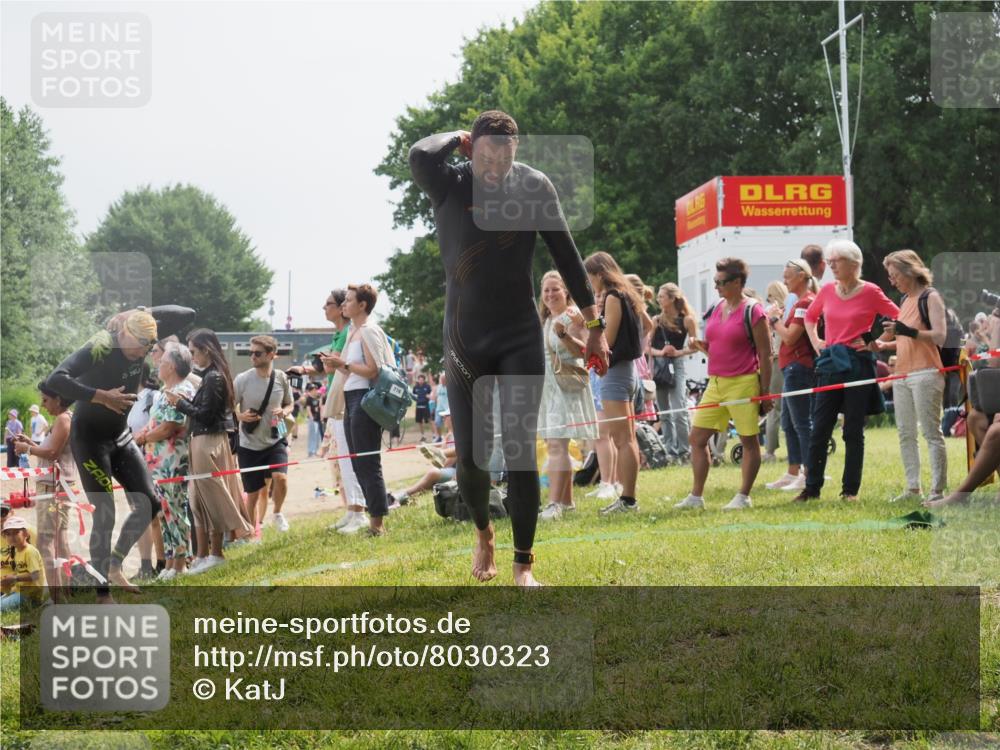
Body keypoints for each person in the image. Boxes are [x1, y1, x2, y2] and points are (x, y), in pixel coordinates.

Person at [409, 110, 609, 586]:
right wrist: (458, 138)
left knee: (520, 451)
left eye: (505, 155)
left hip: (518, 332)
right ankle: (483, 530)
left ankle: (523, 563)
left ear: (517, 151)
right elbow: (419, 154)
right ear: (470, 149)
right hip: (464, 338)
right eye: (485, 155)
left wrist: (596, 326)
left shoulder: (535, 187)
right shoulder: (451, 184)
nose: (496, 166)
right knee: (474, 458)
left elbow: (567, 254)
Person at [47, 306, 194, 602]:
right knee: (106, 514)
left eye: (146, 350)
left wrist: (140, 311)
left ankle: (114, 564)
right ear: (124, 334)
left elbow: (187, 314)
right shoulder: (101, 345)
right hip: (89, 440)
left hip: (120, 435)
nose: (141, 356)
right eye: (136, 349)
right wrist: (101, 396)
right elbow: (56, 379)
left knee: (151, 502)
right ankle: (103, 595)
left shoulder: (143, 330)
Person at [797, 240, 900, 502]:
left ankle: (849, 491)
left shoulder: (871, 291)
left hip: (858, 364)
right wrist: (817, 342)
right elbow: (810, 317)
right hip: (831, 363)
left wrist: (878, 342)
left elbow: (901, 318)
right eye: (829, 261)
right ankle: (811, 489)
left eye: (836, 261)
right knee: (819, 428)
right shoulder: (828, 290)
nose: (830, 265)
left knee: (852, 430)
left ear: (854, 264)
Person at [677, 258, 773, 510]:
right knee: (697, 438)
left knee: (748, 441)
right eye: (715, 282)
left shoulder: (754, 311)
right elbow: (718, 346)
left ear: (738, 282)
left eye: (721, 282)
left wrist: (765, 392)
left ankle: (743, 496)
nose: (717, 286)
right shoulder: (717, 307)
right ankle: (696, 497)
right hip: (716, 381)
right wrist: (702, 346)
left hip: (744, 382)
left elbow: (765, 353)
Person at [168, 328, 253, 574]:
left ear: (206, 349)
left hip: (208, 441)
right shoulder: (212, 376)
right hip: (203, 440)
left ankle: (216, 553)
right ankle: (206, 555)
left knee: (211, 497)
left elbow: (205, 413)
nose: (192, 357)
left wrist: (180, 403)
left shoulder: (214, 377)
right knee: (201, 500)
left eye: (194, 351)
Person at [322, 284, 397, 536]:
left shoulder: (367, 331)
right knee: (357, 461)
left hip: (365, 399)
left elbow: (374, 370)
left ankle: (377, 524)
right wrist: (337, 364)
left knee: (367, 462)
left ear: (362, 305)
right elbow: (352, 369)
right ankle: (368, 516)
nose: (344, 304)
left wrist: (343, 363)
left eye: (350, 300)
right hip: (350, 397)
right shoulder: (353, 331)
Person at [879, 249, 948, 503]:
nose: (892, 281)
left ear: (910, 271)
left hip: (926, 373)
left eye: (895, 275)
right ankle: (912, 488)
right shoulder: (905, 300)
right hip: (902, 375)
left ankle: (937, 490)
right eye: (890, 276)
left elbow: (940, 336)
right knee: (905, 433)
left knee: (931, 433)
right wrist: (881, 345)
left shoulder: (931, 297)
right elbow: (903, 339)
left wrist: (907, 331)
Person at [584, 253, 644, 515]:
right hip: (625, 372)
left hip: (616, 373)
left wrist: (591, 325)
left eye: (589, 277)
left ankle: (628, 499)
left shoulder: (612, 297)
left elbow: (607, 338)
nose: (589, 284)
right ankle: (627, 496)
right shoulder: (625, 294)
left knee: (622, 439)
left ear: (598, 274)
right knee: (626, 438)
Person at [537, 271, 599, 520]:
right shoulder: (547, 319)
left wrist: (564, 334)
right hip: (549, 386)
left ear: (566, 291)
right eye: (546, 290)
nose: (551, 294)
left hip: (566, 384)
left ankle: (554, 504)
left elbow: (587, 350)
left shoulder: (573, 315)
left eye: (555, 289)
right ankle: (567, 502)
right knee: (555, 443)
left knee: (556, 444)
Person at [135, 342, 197, 580]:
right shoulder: (163, 391)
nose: (157, 365)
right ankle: (171, 562)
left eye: (161, 362)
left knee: (176, 511)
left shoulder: (182, 390)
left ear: (170, 366)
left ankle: (180, 563)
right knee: (165, 513)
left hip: (172, 461)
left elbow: (171, 426)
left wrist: (142, 437)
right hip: (157, 463)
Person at [13, 382, 75, 602]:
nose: (42, 404)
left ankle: (58, 596)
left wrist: (27, 448)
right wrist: (31, 443)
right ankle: (65, 591)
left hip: (53, 486)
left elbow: (52, 451)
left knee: (46, 541)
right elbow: (51, 449)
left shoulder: (63, 419)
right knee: (60, 538)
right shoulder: (64, 418)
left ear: (58, 399)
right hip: (58, 485)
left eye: (46, 400)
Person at [233, 335, 295, 533]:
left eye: (257, 353)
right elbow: (229, 406)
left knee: (281, 478)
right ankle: (252, 532)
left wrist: (284, 412)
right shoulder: (242, 379)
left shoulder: (281, 378)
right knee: (252, 494)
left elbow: (290, 403)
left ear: (271, 355)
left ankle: (277, 513)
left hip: (277, 436)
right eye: (250, 352)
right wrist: (240, 416)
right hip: (249, 444)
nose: (253, 356)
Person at [765, 260, 817, 492]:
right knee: (788, 421)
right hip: (790, 368)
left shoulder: (806, 302)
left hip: (799, 367)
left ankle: (809, 473)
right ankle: (793, 471)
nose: (785, 280)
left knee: (801, 423)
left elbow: (790, 337)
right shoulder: (799, 302)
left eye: (788, 276)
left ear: (802, 276)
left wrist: (774, 319)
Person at [651, 283, 697, 464]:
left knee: (679, 409)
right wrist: (661, 352)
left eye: (662, 296)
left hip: (676, 364)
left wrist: (678, 352)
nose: (659, 299)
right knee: (664, 412)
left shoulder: (687, 320)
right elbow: (647, 347)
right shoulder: (656, 320)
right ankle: (670, 450)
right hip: (660, 364)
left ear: (672, 299)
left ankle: (684, 451)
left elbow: (695, 346)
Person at [761, 280, 788, 463]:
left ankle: (770, 450)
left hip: (777, 360)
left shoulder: (774, 312)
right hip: (789, 359)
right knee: (788, 406)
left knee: (774, 407)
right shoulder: (790, 309)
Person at [1, 516, 46, 611]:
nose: (12, 537)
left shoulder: (30, 551)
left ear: (26, 533)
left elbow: (35, 575)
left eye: (16, 533)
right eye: (8, 534)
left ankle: (35, 604)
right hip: (19, 591)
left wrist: (14, 578)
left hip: (30, 595)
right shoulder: (16, 551)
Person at [389, 446, 458, 507]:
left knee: (433, 474)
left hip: (463, 472)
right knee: (433, 475)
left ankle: (400, 496)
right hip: (455, 468)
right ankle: (401, 496)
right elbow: (447, 465)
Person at [301, 382, 324, 457]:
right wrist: (311, 418)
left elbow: (320, 407)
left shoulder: (317, 398)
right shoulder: (309, 399)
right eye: (314, 390)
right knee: (312, 436)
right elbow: (308, 409)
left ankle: (316, 450)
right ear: (310, 390)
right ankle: (311, 451)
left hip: (317, 419)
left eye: (316, 389)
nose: (315, 391)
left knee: (318, 436)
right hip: (312, 419)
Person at [413, 374, 433, 441]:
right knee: (420, 422)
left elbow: (431, 395)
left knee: (430, 420)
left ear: (424, 380)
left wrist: (429, 396)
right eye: (419, 379)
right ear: (418, 380)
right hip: (418, 406)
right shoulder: (415, 387)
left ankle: (434, 435)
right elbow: (413, 395)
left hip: (426, 406)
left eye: (422, 380)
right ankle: (423, 436)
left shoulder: (427, 387)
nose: (420, 381)